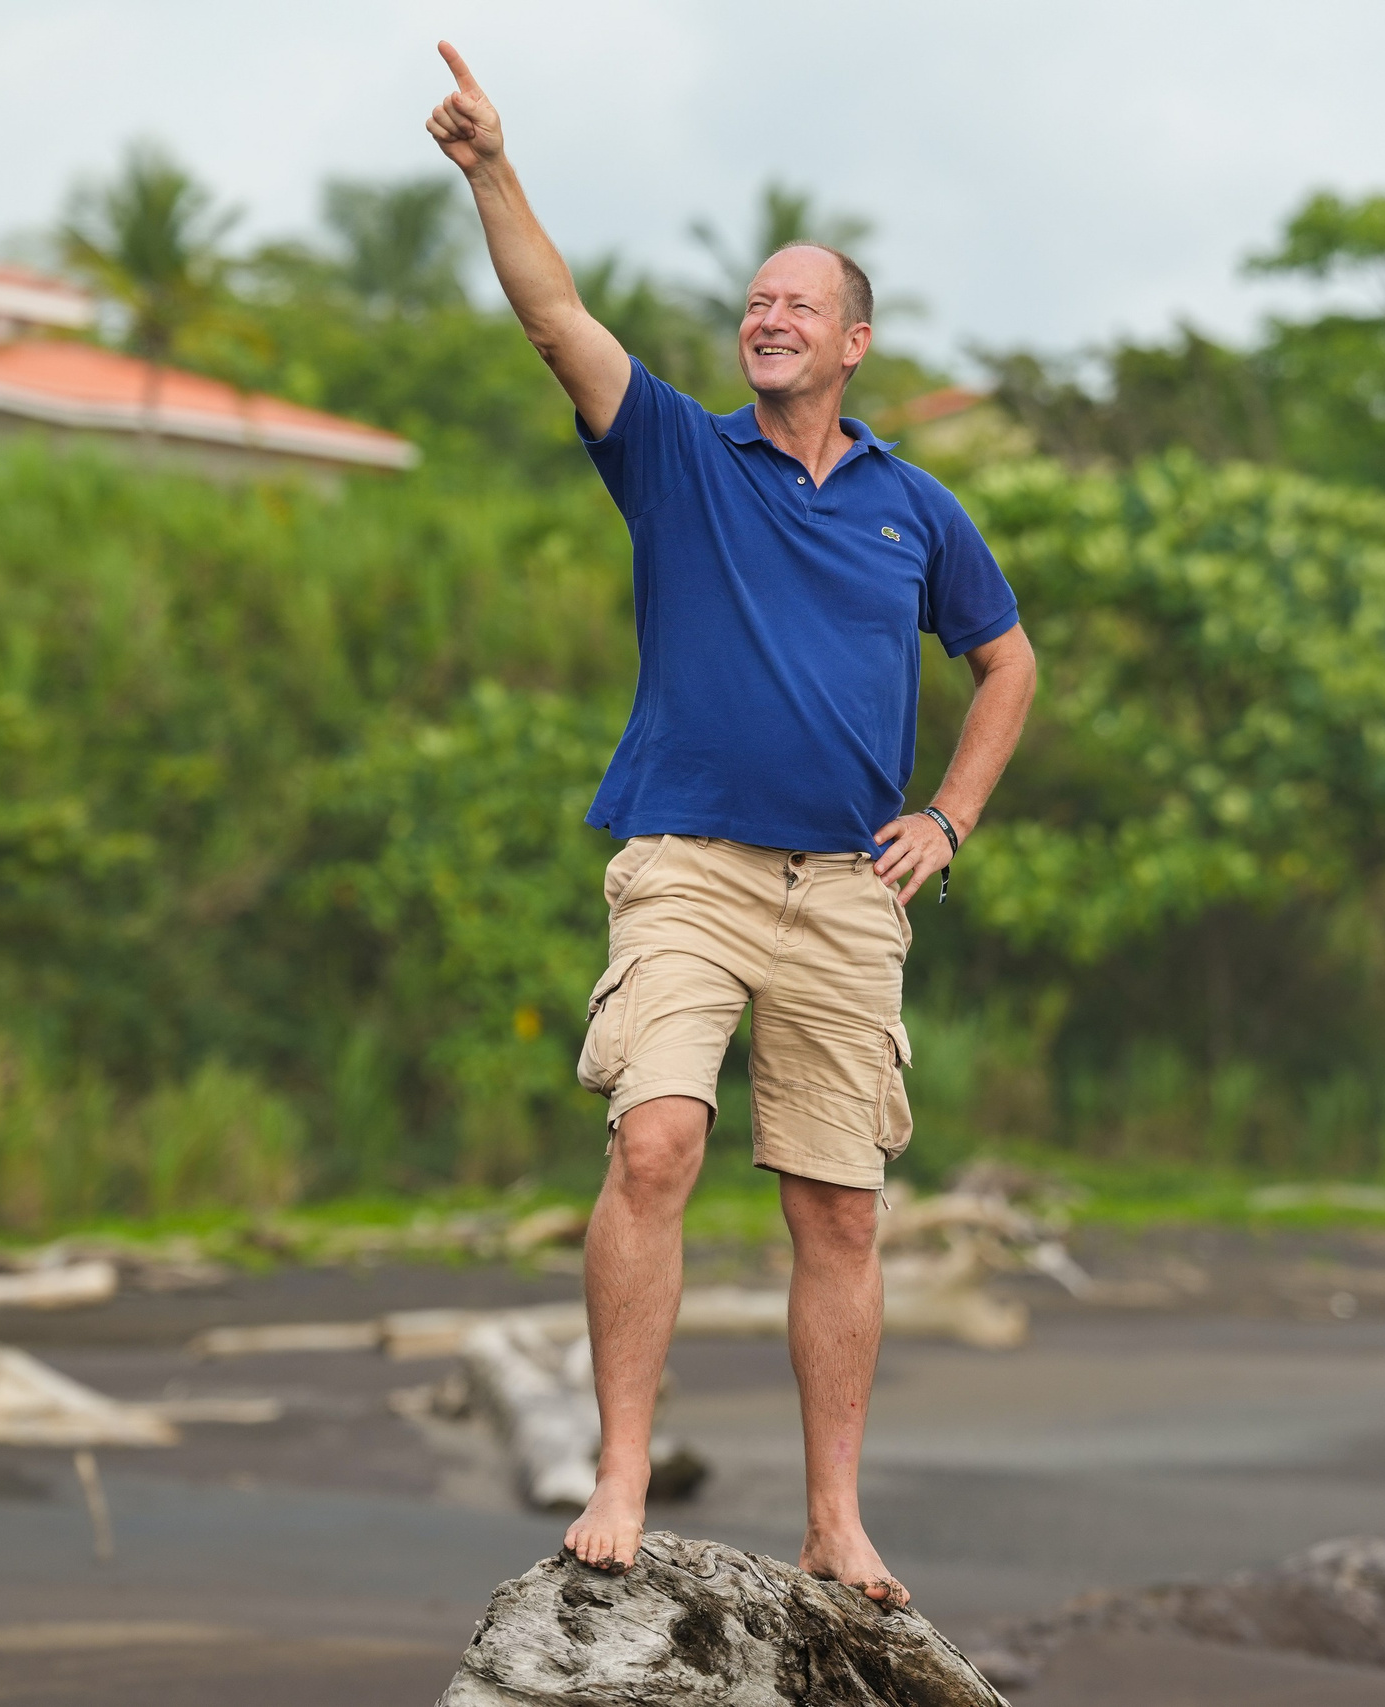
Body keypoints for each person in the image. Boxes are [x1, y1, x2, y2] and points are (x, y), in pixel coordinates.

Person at [427, 40, 1036, 1611]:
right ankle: (617, 1473)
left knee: (838, 1206)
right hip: (687, 866)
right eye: (752, 302)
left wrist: (949, 820)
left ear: (854, 340)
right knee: (658, 1140)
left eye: (795, 303)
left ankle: (837, 1521)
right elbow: (557, 316)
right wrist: (495, 170)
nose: (766, 317)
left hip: (848, 890)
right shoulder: (680, 456)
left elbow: (1009, 659)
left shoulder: (916, 503)